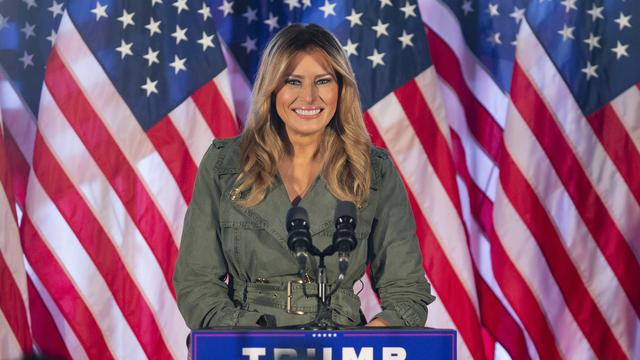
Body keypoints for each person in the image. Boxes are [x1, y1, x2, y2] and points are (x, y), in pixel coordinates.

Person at [173, 23, 435, 329]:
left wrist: (368, 341)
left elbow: (407, 292)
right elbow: (196, 284)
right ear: (272, 89)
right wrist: (252, 340)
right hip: (246, 339)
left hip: (342, 342)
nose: (309, 97)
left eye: (322, 81)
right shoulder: (225, 163)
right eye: (293, 82)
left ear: (341, 88)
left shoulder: (374, 169)